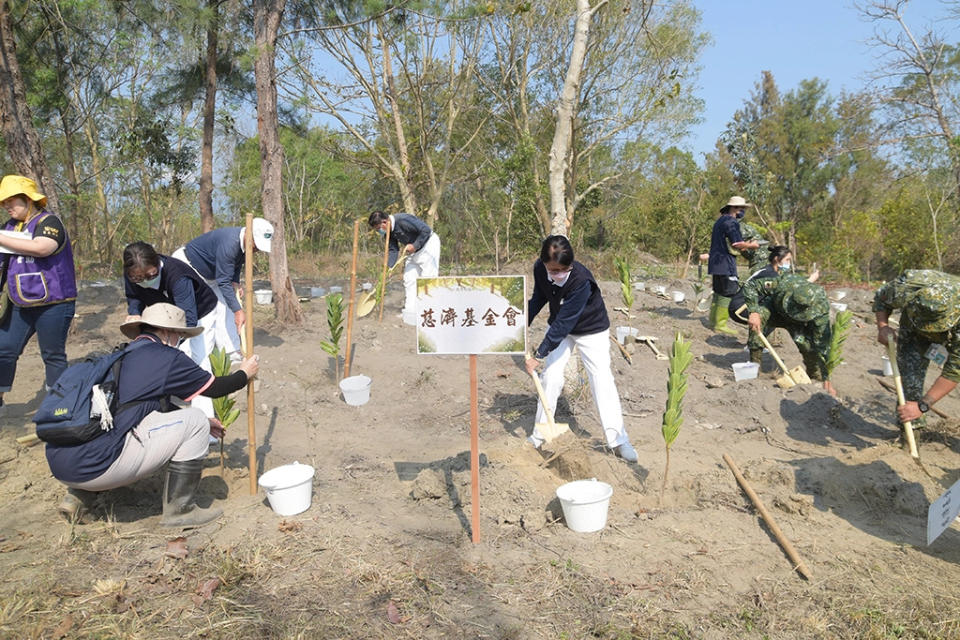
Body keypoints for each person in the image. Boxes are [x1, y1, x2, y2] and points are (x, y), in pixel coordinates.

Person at [46, 303, 260, 527]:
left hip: (61, 464)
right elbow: (215, 388)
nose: (180, 342)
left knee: (107, 431)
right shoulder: (166, 357)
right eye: (180, 336)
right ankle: (181, 512)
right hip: (97, 467)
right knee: (195, 419)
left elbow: (150, 408)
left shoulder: (119, 356)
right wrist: (244, 373)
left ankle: (78, 498)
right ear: (168, 332)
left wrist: (207, 423)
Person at [524, 235, 637, 462]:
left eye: (564, 269)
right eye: (554, 270)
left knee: (601, 380)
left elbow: (565, 321)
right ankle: (538, 436)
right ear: (544, 263)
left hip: (591, 329)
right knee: (550, 377)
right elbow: (539, 298)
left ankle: (618, 441)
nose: (558, 274)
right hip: (561, 329)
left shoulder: (581, 281)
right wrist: (518, 323)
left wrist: (539, 354)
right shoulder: (539, 269)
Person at [0, 175, 77, 416]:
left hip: (54, 302)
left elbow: (43, 247)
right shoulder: (8, 228)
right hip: (18, 302)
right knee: (4, 349)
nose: (7, 207)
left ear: (29, 200)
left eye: (12, 201)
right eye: (4, 203)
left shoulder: (49, 221)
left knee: (52, 354)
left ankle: (60, 407)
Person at [122, 241, 220, 418]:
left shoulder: (178, 276)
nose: (144, 281)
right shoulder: (132, 272)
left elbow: (189, 319)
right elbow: (134, 296)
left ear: (157, 263)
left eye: (150, 275)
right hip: (163, 314)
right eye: (138, 278)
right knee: (156, 355)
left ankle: (205, 418)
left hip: (199, 310)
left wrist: (171, 344)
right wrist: (135, 313)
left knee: (198, 358)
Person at [172, 218, 273, 360]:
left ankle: (230, 352)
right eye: (256, 244)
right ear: (248, 235)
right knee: (202, 316)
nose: (256, 249)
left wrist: (235, 282)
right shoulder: (230, 243)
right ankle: (197, 360)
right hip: (188, 269)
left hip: (211, 275)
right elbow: (223, 280)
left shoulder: (244, 245)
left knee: (225, 307)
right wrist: (238, 311)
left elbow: (236, 263)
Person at [740, 247, 835, 395]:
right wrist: (753, 311)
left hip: (797, 323)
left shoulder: (820, 308)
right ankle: (754, 367)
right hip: (775, 311)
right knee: (760, 316)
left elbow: (823, 344)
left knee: (807, 346)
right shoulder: (781, 284)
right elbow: (750, 285)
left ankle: (815, 378)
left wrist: (826, 379)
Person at [873, 269, 960, 424]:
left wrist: (923, 405)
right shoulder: (907, 286)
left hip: (952, 334)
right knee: (909, 380)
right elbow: (881, 298)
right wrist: (883, 326)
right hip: (912, 328)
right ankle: (910, 432)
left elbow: (954, 371)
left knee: (918, 405)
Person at [367, 210, 441, 323]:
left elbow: (425, 230)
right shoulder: (388, 232)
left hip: (428, 245)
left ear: (385, 222)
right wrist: (389, 267)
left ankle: (428, 312)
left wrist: (415, 245)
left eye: (378, 229)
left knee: (427, 280)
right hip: (412, 251)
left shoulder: (403, 220)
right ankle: (410, 311)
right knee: (409, 279)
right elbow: (393, 250)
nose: (379, 231)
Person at [707, 196, 760, 335]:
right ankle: (720, 324)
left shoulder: (720, 221)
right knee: (728, 291)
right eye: (742, 208)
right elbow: (737, 243)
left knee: (718, 291)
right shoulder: (731, 222)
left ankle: (713, 321)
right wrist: (752, 245)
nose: (743, 211)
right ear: (735, 208)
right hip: (726, 263)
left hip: (716, 263)